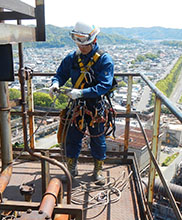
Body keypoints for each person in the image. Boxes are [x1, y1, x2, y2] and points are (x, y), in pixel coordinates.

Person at [49, 21, 114, 185]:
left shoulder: (104, 60)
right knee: (73, 137)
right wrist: (55, 83)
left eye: (83, 42)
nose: (81, 45)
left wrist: (82, 92)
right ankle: (72, 168)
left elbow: (104, 85)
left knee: (97, 139)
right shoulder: (72, 58)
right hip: (77, 106)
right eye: (77, 41)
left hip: (95, 107)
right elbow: (60, 74)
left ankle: (98, 168)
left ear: (93, 40)